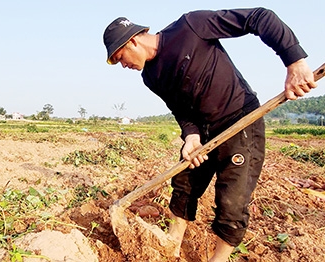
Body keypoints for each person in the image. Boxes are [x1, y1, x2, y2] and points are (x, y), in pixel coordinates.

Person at [103, 7, 317, 262]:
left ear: (133, 41)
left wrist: (295, 62)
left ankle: (218, 259)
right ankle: (171, 246)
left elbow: (259, 17)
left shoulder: (190, 27)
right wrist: (191, 136)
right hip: (203, 134)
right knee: (183, 186)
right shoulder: (151, 76)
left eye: (120, 57)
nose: (123, 65)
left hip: (240, 124)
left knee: (231, 202)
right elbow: (179, 109)